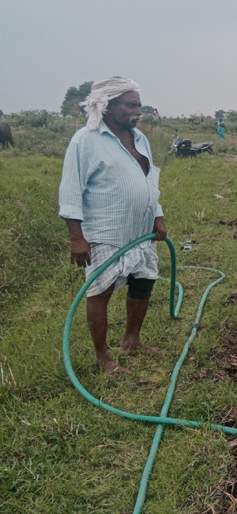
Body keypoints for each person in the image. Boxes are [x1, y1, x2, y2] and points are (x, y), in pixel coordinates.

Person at [58, 77, 166, 376]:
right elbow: (70, 193)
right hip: (106, 231)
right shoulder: (86, 140)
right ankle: (103, 357)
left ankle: (131, 340)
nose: (138, 111)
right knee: (100, 290)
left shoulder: (140, 138)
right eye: (131, 105)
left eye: (139, 105)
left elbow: (149, 182)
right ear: (107, 106)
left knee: (143, 282)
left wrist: (157, 216)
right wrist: (77, 238)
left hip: (141, 230)